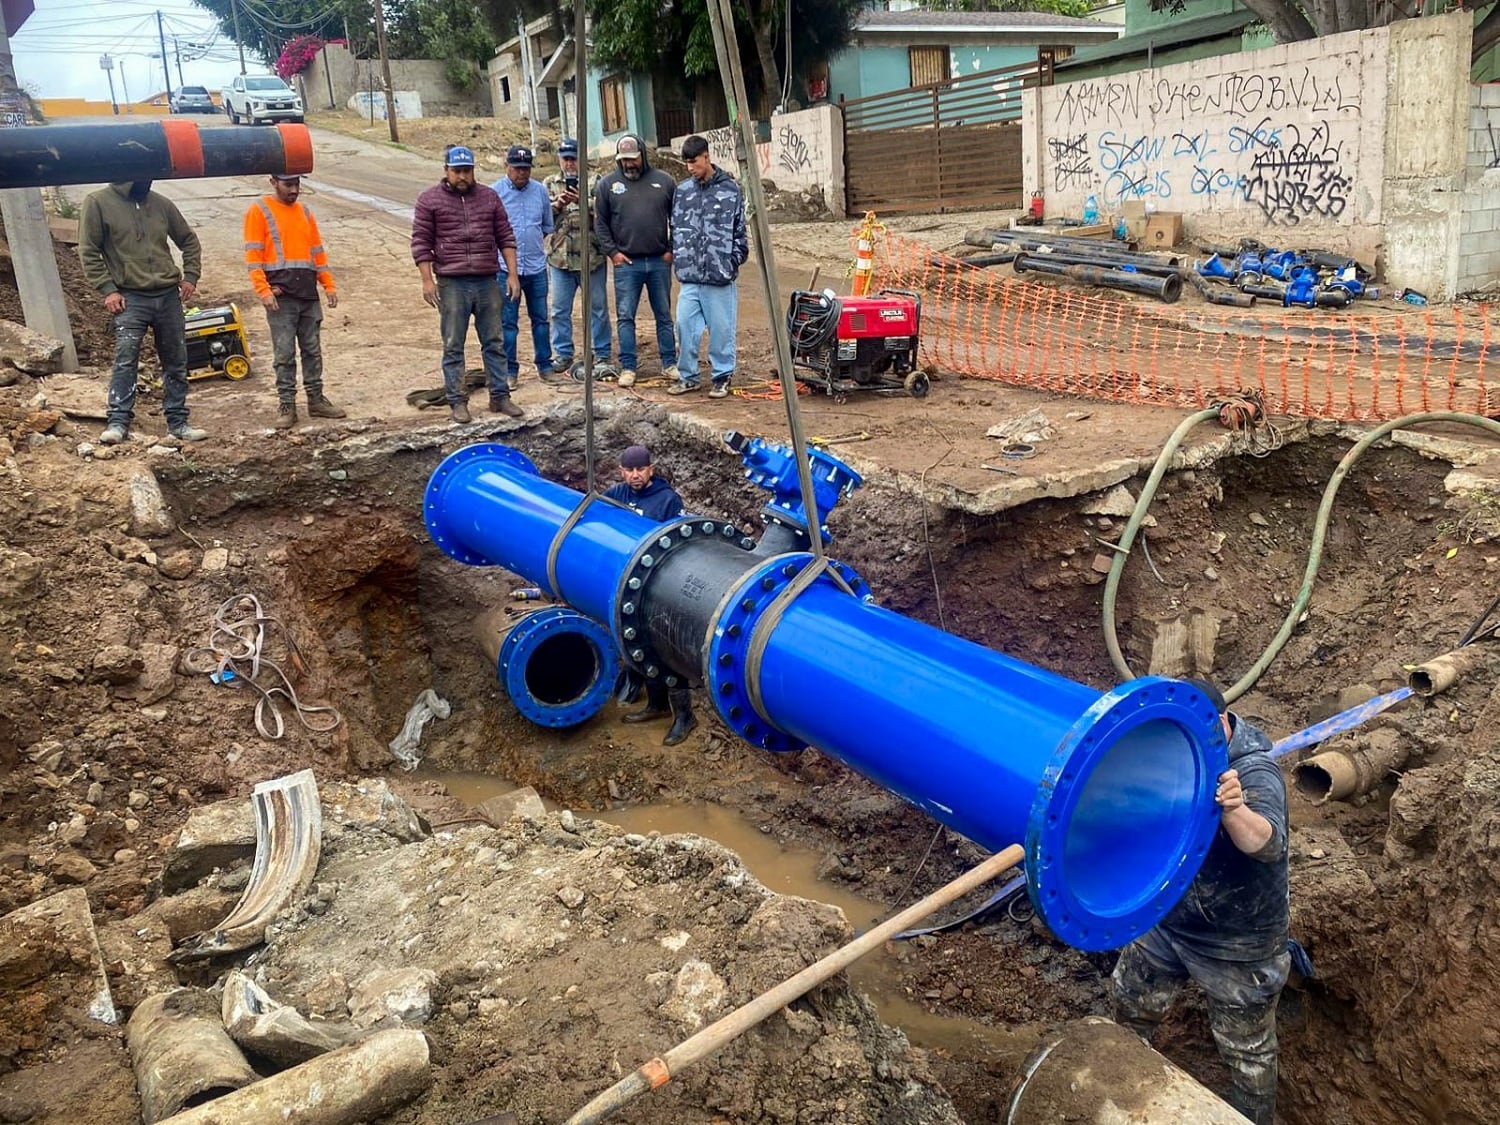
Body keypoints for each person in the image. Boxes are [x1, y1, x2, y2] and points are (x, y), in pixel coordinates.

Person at [1110, 677, 1290, 1125]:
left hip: (1237, 945)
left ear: (1222, 724)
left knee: (1247, 1055)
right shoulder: (1172, 752)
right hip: (1170, 921)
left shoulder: (1252, 771)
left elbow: (1268, 844)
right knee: (1130, 1002)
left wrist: (1235, 810)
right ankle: (1115, 1090)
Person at [79, 179, 207, 445]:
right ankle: (118, 423)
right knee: (126, 358)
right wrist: (108, 289)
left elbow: (189, 241)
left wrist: (191, 276)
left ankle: (178, 422)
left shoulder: (161, 204)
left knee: (176, 359)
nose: (147, 179)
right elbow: (88, 250)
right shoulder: (98, 203)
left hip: (167, 295)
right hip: (130, 297)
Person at [411, 145, 523, 424]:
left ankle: (500, 396)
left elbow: (505, 236)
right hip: (452, 283)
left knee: (494, 342)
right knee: (453, 344)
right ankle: (457, 401)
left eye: (467, 171)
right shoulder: (429, 200)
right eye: (457, 171)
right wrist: (427, 280)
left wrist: (512, 274)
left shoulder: (489, 197)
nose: (463, 176)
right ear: (446, 170)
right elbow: (421, 242)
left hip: (487, 279)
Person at [604, 444, 695, 746]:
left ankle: (685, 716)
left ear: (651, 470)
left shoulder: (667, 500)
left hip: (662, 587)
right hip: (630, 585)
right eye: (629, 470)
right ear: (621, 471)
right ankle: (656, 706)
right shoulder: (617, 494)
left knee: (668, 652)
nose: (635, 476)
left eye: (640, 469)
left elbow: (683, 546)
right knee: (639, 643)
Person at [243, 173, 345, 430]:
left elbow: (317, 252)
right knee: (284, 353)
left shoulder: (305, 213)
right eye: (288, 184)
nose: (294, 190)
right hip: (281, 297)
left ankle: (316, 399)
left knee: (312, 350)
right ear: (273, 182)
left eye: (297, 184)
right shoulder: (260, 211)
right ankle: (287, 404)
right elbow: (253, 256)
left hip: (307, 293)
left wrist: (328, 284)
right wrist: (263, 290)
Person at [593, 134, 677, 389]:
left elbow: (678, 219)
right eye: (623, 160)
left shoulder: (664, 182)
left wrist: (671, 250)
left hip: (659, 261)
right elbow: (600, 223)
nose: (628, 164)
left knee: (663, 315)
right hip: (627, 264)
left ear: (642, 155)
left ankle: (669, 363)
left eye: (632, 159)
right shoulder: (607, 185)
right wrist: (613, 253)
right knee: (625, 316)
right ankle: (628, 367)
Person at [669, 135, 748, 399]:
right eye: (686, 163)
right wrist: (679, 257)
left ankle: (721, 376)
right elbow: (676, 229)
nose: (690, 168)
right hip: (690, 275)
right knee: (684, 324)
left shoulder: (730, 190)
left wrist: (732, 259)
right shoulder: (682, 192)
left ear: (707, 156)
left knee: (721, 330)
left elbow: (740, 231)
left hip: (719, 275)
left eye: (694, 162)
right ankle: (688, 376)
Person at [544, 138, 614, 380]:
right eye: (566, 158)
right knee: (559, 310)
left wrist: (582, 201)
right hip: (560, 259)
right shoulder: (549, 183)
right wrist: (556, 205)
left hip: (591, 257)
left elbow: (607, 213)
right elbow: (543, 221)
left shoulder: (597, 182)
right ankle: (563, 353)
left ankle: (602, 353)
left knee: (598, 309)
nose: (570, 163)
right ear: (559, 160)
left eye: (574, 157)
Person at [492, 144, 553, 387]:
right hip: (506, 271)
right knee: (508, 323)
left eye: (526, 168)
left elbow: (547, 226)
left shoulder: (540, 191)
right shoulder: (495, 193)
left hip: (536, 267)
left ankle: (545, 366)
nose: (522, 173)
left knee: (541, 319)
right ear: (507, 166)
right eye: (517, 168)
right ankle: (509, 371)